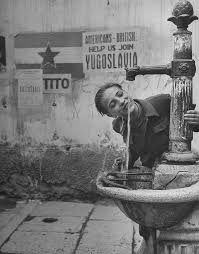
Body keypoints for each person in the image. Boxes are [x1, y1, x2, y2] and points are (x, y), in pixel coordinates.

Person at [95, 83, 199, 169]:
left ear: (126, 92)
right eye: (113, 104)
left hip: (179, 165)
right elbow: (134, 147)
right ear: (111, 115)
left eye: (120, 94)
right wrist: (125, 164)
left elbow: (190, 123)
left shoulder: (163, 102)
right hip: (150, 171)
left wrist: (197, 121)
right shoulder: (119, 125)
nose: (121, 101)